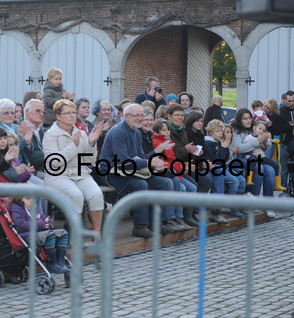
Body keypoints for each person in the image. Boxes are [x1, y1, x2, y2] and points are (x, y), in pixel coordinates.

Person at [97, 103, 185, 238]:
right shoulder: (118, 132)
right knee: (141, 185)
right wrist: (150, 162)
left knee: (165, 182)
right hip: (112, 173)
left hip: (131, 170)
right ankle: (140, 226)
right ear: (126, 117)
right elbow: (123, 161)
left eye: (141, 115)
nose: (140, 118)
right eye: (136, 115)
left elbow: (141, 157)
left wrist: (155, 164)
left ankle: (158, 222)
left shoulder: (136, 133)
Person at [43, 99, 104, 236]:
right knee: (76, 195)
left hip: (80, 174)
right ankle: (74, 235)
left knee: (96, 195)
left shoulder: (81, 133)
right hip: (58, 176)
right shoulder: (50, 134)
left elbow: (89, 160)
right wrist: (74, 145)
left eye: (74, 113)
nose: (72, 116)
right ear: (58, 116)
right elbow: (54, 163)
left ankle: (97, 236)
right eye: (68, 113)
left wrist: (91, 144)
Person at [152, 118, 199, 226]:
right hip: (169, 172)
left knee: (192, 187)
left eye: (168, 129)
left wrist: (182, 166)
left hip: (175, 171)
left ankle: (185, 216)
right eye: (163, 130)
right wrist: (180, 167)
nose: (167, 132)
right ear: (158, 131)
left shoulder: (168, 142)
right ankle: (174, 217)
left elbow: (173, 160)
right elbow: (164, 163)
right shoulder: (158, 143)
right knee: (182, 188)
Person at [231, 108, 277, 217]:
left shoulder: (255, 128)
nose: (248, 121)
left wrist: (265, 140)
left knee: (270, 170)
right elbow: (239, 149)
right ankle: (253, 202)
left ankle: (268, 205)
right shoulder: (235, 130)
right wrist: (257, 143)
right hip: (239, 158)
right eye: (245, 119)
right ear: (239, 120)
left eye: (249, 118)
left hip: (255, 158)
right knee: (259, 168)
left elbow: (268, 146)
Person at [9, 195, 69, 274]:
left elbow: (40, 218)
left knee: (62, 233)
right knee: (49, 235)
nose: (31, 201)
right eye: (28, 198)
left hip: (39, 232)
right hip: (26, 235)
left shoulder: (33, 207)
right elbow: (20, 225)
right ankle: (52, 262)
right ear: (19, 199)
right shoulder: (16, 208)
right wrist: (40, 224)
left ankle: (60, 262)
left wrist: (46, 222)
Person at [203, 119, 246, 218]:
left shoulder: (218, 142)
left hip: (222, 167)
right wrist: (223, 148)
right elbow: (217, 160)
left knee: (242, 180)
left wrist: (225, 148)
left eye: (221, 131)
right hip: (214, 168)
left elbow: (225, 158)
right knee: (233, 181)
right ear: (210, 132)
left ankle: (236, 206)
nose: (220, 133)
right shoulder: (208, 143)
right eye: (217, 131)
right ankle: (226, 207)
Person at [243, 121, 286, 191]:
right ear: (254, 128)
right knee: (252, 161)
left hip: (262, 157)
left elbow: (264, 149)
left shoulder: (262, 138)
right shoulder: (248, 137)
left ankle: (277, 185)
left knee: (276, 165)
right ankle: (249, 180)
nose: (261, 131)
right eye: (260, 128)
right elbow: (245, 149)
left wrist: (263, 145)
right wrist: (254, 154)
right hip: (252, 156)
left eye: (263, 130)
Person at [279, 90, 294, 191]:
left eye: (293, 101)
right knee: (284, 166)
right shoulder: (281, 110)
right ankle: (284, 187)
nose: (291, 103)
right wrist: (289, 126)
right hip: (286, 142)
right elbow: (279, 128)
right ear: (285, 100)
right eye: (289, 101)